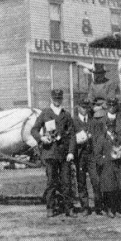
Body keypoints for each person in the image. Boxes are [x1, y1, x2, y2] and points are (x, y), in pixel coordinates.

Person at [31, 89, 77, 218]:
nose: (57, 101)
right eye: (55, 99)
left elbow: (72, 135)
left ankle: (69, 208)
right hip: (50, 153)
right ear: (51, 99)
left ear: (62, 99)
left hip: (64, 155)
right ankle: (50, 208)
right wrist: (41, 138)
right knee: (51, 182)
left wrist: (71, 152)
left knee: (66, 182)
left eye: (59, 99)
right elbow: (34, 130)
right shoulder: (45, 113)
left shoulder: (66, 115)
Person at [72, 98, 103, 216]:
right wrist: (78, 139)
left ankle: (98, 206)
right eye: (82, 107)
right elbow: (70, 138)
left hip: (92, 155)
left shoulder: (93, 121)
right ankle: (85, 207)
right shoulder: (74, 121)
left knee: (96, 180)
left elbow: (98, 137)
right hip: (80, 155)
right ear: (78, 107)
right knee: (81, 181)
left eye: (86, 108)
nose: (84, 110)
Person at [94, 120, 121, 218]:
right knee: (109, 188)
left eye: (113, 126)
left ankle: (117, 208)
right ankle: (109, 209)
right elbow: (97, 155)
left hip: (118, 165)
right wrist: (104, 160)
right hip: (108, 166)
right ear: (106, 127)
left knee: (120, 186)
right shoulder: (102, 138)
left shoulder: (119, 138)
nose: (111, 128)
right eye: (109, 126)